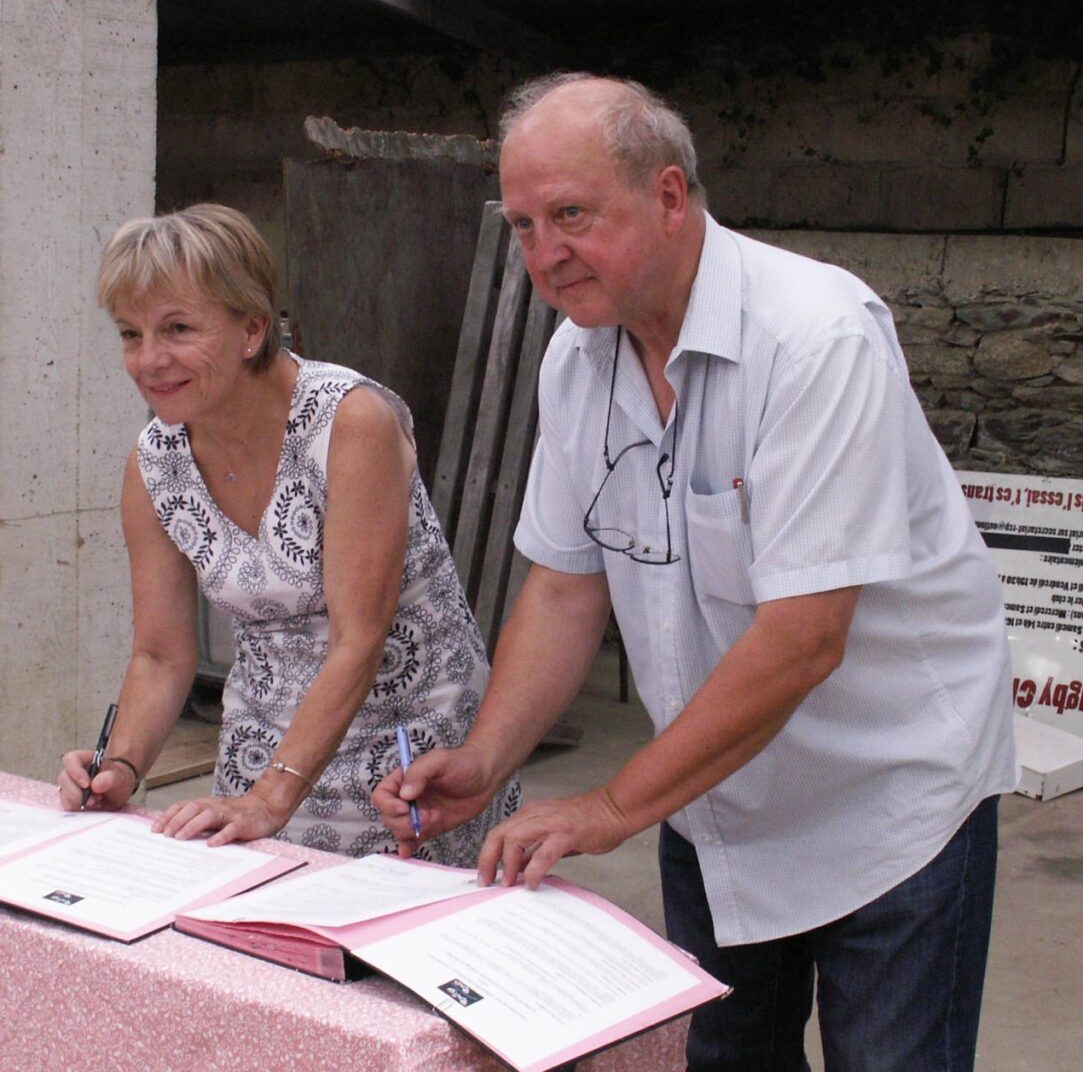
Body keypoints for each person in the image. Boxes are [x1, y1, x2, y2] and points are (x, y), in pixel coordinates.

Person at [374, 74, 1018, 1069]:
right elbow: (563, 584)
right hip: (715, 791)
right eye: (525, 226)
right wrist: (488, 757)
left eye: (573, 216)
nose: (546, 256)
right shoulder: (577, 359)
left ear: (670, 197)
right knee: (721, 1059)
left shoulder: (815, 338)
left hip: (888, 798)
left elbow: (804, 640)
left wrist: (608, 805)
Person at [58, 203, 519, 863]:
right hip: (264, 754)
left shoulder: (349, 423)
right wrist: (120, 768)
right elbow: (160, 656)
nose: (149, 360)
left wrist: (271, 799)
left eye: (178, 328)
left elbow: (358, 639)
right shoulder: (154, 462)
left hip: (408, 762)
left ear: (250, 329)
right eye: (131, 334)